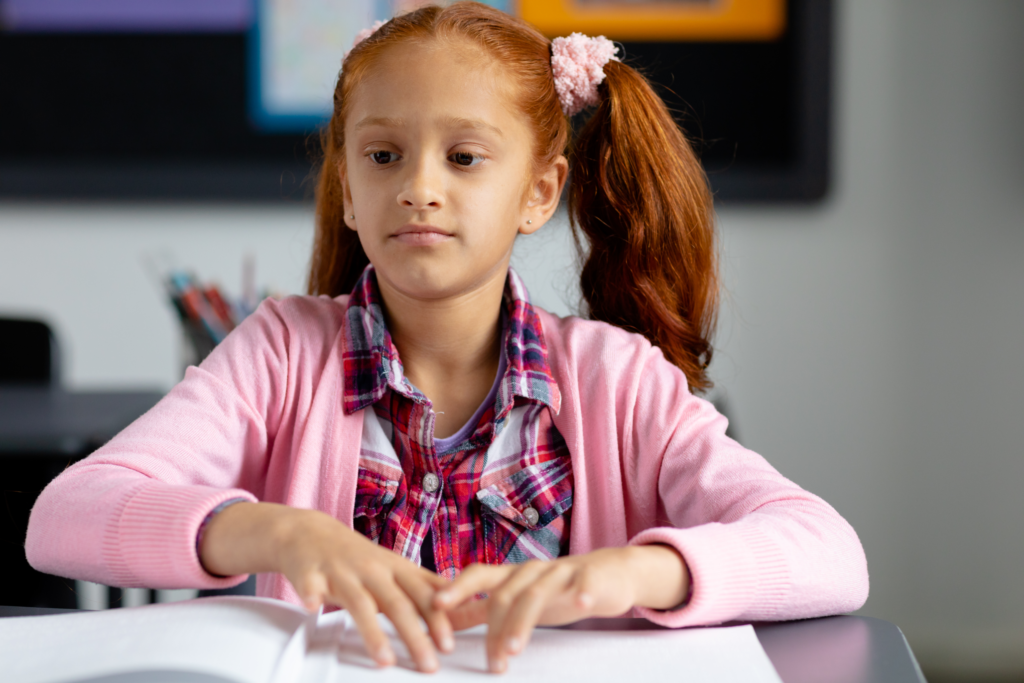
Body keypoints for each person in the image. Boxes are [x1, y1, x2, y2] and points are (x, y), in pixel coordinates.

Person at [26, 2, 868, 676]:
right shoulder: (280, 352)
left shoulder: (618, 379)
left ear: (539, 193)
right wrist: (278, 533)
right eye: (384, 155)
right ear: (349, 190)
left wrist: (627, 573)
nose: (418, 187)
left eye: (465, 158)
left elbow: (829, 550)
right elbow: (62, 516)